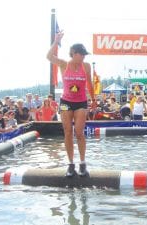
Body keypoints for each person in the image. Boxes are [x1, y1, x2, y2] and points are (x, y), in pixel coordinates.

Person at [47, 31, 94, 177]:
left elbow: (90, 83)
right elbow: (48, 57)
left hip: (81, 102)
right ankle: (70, 164)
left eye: (85, 55)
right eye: (82, 54)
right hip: (65, 102)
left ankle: (83, 164)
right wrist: (56, 41)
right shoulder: (63, 64)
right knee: (68, 132)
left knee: (79, 133)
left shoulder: (86, 66)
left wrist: (93, 100)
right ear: (74, 53)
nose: (84, 57)